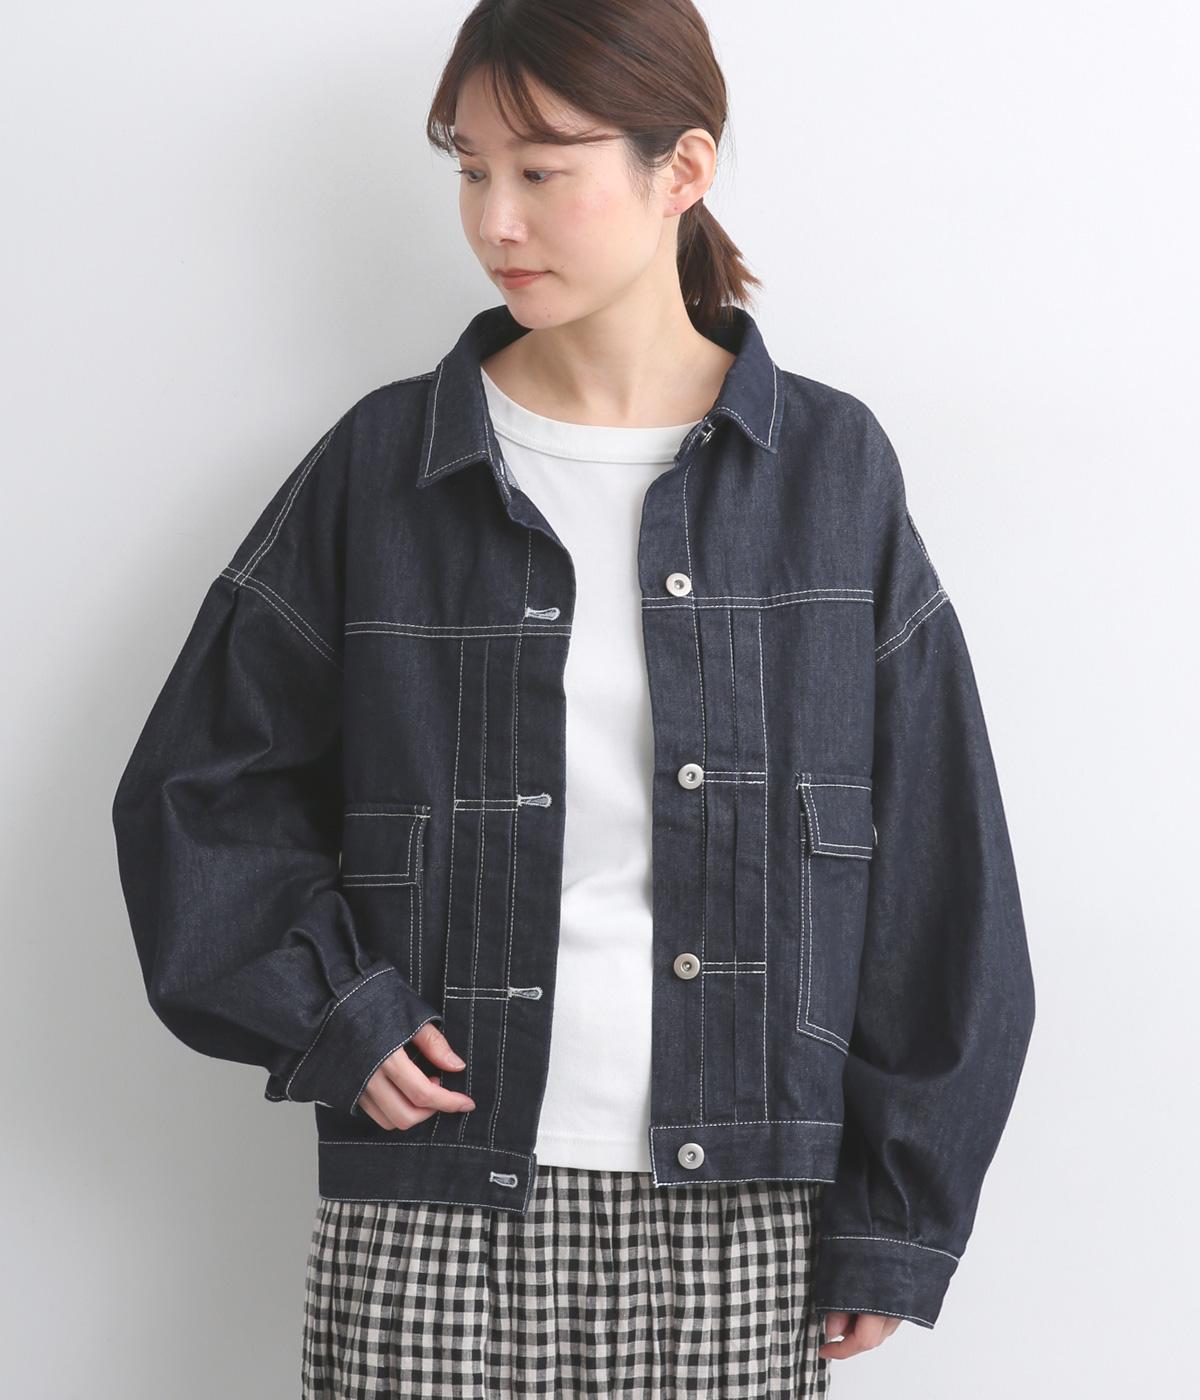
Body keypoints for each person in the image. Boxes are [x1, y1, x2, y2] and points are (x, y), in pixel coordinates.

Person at [111, 1, 1036, 1395]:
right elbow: (196, 792)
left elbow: (937, 865)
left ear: (684, 168)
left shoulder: (827, 470)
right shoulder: (386, 465)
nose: (496, 219)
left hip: (742, 1210)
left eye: (543, 170)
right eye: (471, 169)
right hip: (432, 1199)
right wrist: (334, 1011)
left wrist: (898, 1215)